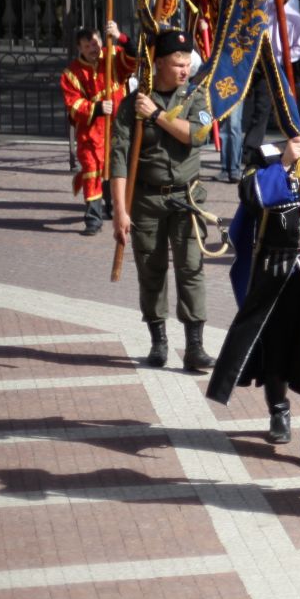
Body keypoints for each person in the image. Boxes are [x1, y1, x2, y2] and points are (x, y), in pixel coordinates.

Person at [207, 95, 300, 464]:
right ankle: (278, 409)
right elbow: (251, 197)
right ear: (293, 127)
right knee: (275, 345)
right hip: (273, 269)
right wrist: (287, 162)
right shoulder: (268, 157)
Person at [110, 28, 217, 372]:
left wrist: (156, 115)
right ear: (157, 64)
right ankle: (158, 341)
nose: (185, 69)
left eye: (187, 63)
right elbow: (118, 159)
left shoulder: (196, 97)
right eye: (177, 63)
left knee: (191, 270)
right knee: (151, 270)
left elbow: (198, 135)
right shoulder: (132, 104)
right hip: (146, 200)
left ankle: (195, 346)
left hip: (187, 198)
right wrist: (120, 211)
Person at [60, 20, 136, 235]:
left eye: (95, 44)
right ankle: (93, 219)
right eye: (87, 46)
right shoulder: (71, 73)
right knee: (92, 171)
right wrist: (97, 108)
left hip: (118, 127)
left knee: (116, 169)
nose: (92, 49)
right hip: (91, 131)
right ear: (79, 49)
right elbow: (73, 105)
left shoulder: (113, 56)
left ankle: (113, 208)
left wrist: (120, 36)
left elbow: (134, 58)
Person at [239, 0, 300, 166]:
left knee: (291, 107)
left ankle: (298, 147)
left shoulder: (295, 17)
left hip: (285, 66)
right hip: (263, 66)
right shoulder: (264, 15)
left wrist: (284, 59)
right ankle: (248, 152)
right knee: (261, 109)